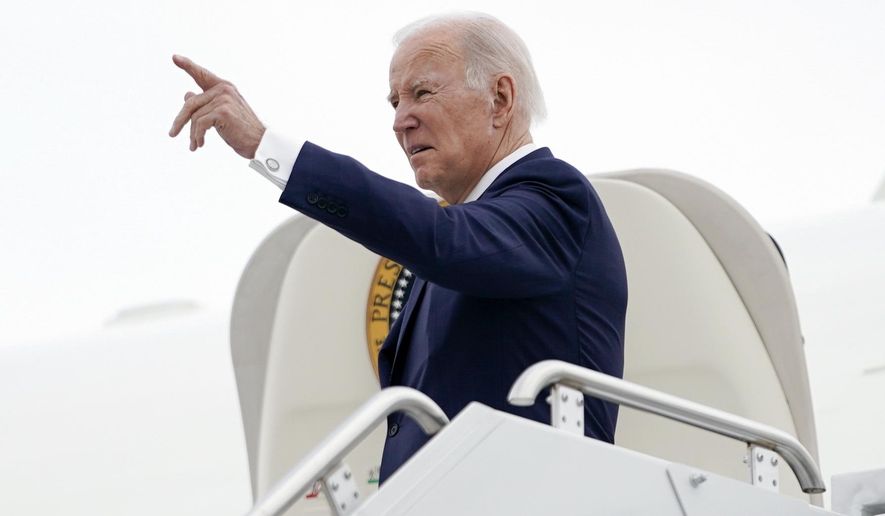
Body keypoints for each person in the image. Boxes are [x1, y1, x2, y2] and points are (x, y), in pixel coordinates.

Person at [169, 12, 627, 483]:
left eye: (422, 93)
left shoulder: (556, 199)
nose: (400, 121)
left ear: (500, 99)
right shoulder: (472, 232)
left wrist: (266, 146)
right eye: (394, 102)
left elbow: (440, 240)